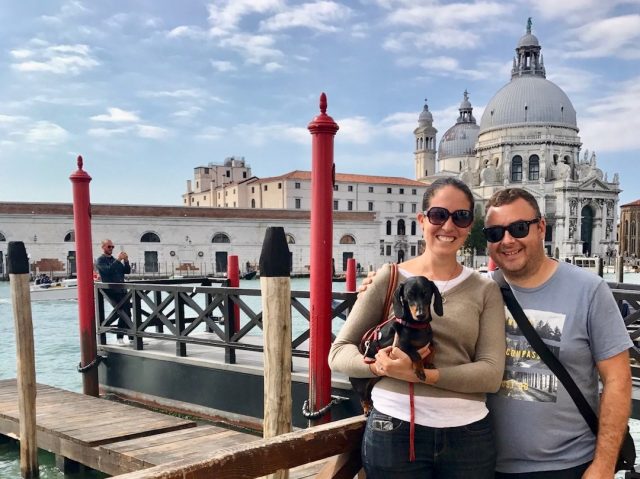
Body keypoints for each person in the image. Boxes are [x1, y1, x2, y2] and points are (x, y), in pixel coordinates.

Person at [329, 177, 506, 478]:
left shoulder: (485, 289)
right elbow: (338, 354)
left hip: (469, 438)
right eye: (438, 215)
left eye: (460, 217)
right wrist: (380, 366)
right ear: (422, 220)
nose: (448, 226)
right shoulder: (388, 278)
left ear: (469, 226)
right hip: (394, 432)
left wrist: (417, 374)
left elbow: (490, 374)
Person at [484, 188, 632, 478]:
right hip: (485, 464)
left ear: (541, 228)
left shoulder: (589, 291)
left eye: (519, 228)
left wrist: (602, 465)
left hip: (568, 466)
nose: (508, 240)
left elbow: (618, 380)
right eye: (495, 233)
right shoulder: (479, 290)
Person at [95, 239, 131, 345]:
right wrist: (119, 260)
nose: (111, 249)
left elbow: (127, 271)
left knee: (127, 313)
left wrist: (126, 261)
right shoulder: (100, 260)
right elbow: (108, 271)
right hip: (111, 291)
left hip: (122, 290)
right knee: (123, 313)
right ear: (103, 247)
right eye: (109, 247)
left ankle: (131, 337)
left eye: (112, 247)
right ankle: (120, 337)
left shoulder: (115, 260)